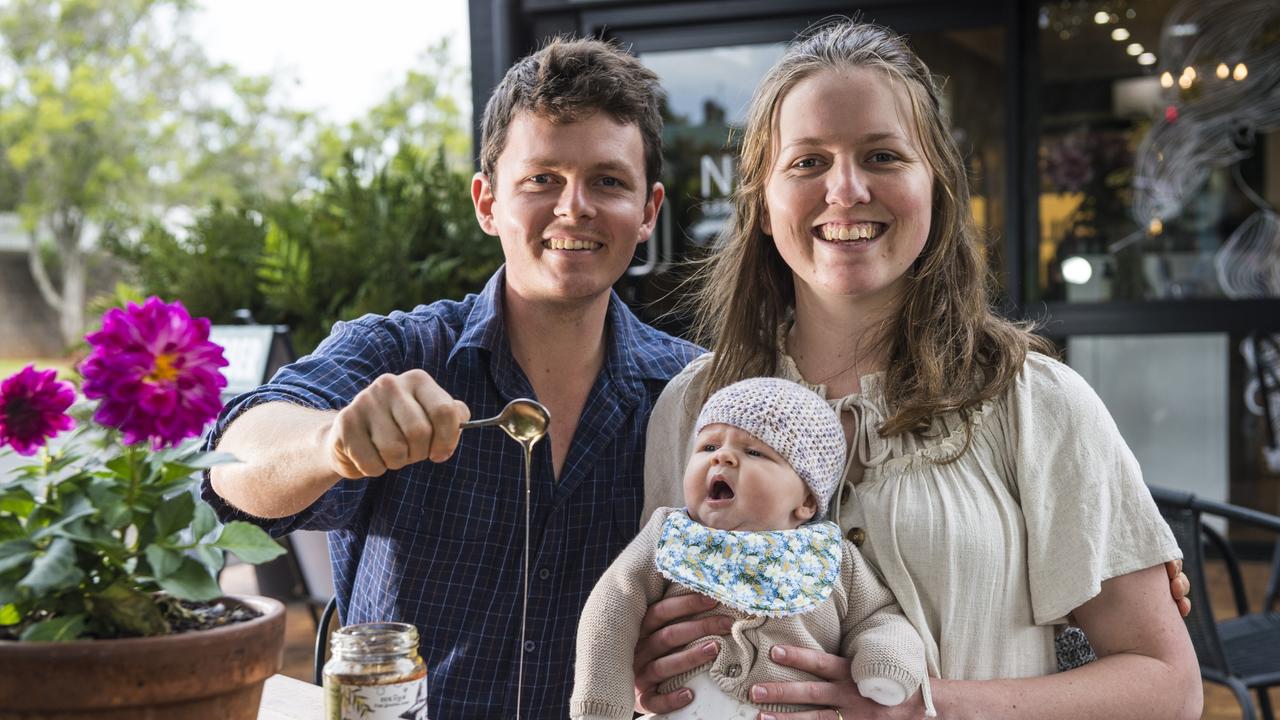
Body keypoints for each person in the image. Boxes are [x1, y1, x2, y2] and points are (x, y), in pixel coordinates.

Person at [635, 20, 1202, 720]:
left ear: (936, 181)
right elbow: (659, 649)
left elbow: (1168, 686)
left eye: (881, 156)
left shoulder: (1034, 401)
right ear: (761, 197)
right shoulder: (695, 408)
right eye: (808, 162)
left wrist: (922, 708)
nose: (845, 190)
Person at [202, 38, 702, 719]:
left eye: (608, 181)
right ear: (487, 202)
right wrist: (333, 442)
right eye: (541, 179)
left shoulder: (690, 394)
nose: (573, 206)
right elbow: (235, 456)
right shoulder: (400, 351)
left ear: (648, 212)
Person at [571, 377, 929, 720]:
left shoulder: (830, 557)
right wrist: (602, 701)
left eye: (755, 451)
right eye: (709, 447)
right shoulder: (670, 533)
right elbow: (614, 602)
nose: (721, 458)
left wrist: (885, 663)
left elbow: (878, 616)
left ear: (805, 500)